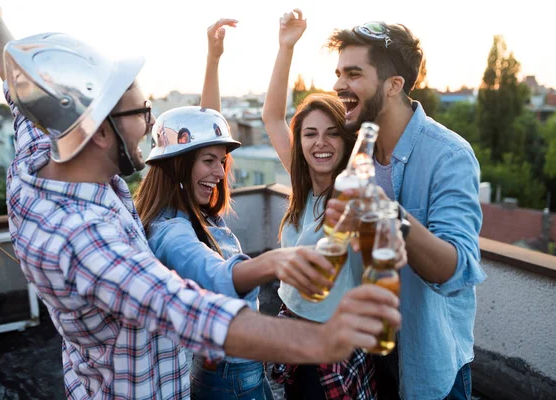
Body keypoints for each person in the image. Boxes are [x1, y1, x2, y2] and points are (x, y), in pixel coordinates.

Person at [0, 8, 402, 399]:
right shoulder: (84, 241)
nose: (151, 125)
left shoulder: (49, 155)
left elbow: (18, 78)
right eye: (142, 112)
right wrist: (321, 338)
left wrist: (214, 58)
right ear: (100, 131)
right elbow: (184, 310)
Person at [135, 19, 342, 399]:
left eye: (220, 161)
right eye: (210, 163)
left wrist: (213, 59)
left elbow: (201, 134)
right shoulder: (173, 231)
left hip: (234, 366)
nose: (220, 171)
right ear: (179, 165)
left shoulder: (188, 209)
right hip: (231, 373)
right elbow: (214, 275)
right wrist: (274, 262)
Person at [324, 21, 487, 400]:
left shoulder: (449, 155)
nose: (337, 86)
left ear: (393, 85)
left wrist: (390, 214)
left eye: (353, 74)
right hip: (369, 355)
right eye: (337, 74)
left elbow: (457, 268)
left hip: (429, 361)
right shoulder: (358, 149)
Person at [262, 10, 408, 400]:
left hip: (333, 344)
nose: (320, 143)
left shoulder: (352, 194)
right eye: (310, 134)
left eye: (331, 134)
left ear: (347, 143)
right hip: (293, 331)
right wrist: (285, 46)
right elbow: (273, 117)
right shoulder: (303, 187)